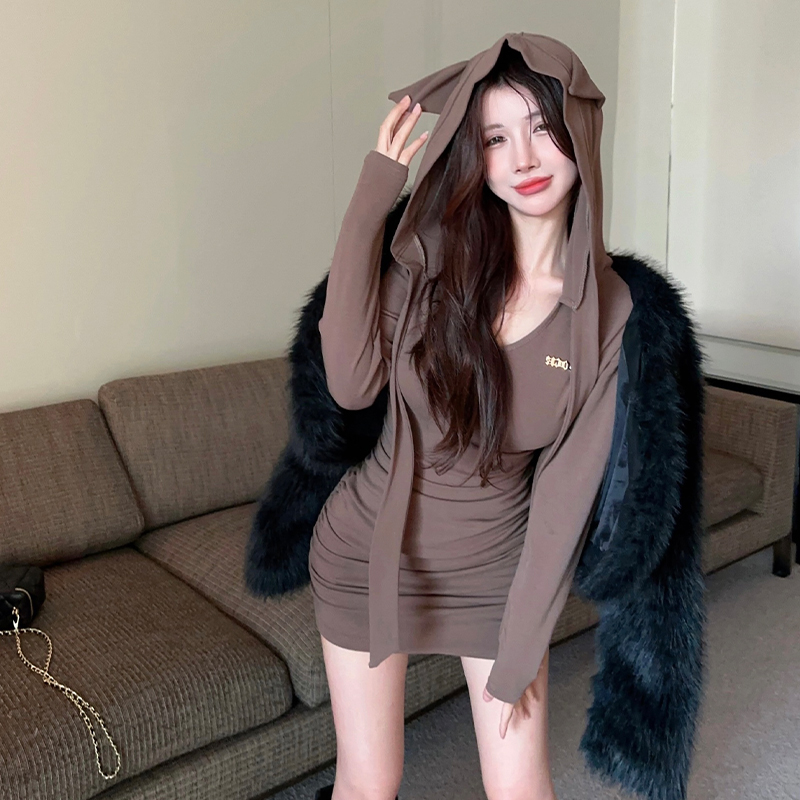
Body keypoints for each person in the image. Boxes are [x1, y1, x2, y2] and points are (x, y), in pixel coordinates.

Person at [308, 34, 634, 800]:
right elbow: (350, 386)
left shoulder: (608, 312)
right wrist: (372, 197)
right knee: (369, 783)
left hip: (495, 575)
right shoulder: (430, 266)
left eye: (541, 127)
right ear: (475, 157)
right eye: (495, 138)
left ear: (579, 132)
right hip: (366, 554)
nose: (523, 157)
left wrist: (523, 642)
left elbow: (565, 497)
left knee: (522, 788)